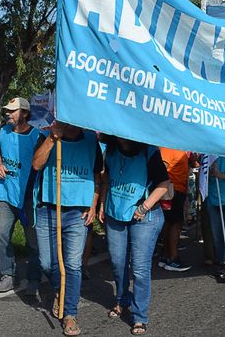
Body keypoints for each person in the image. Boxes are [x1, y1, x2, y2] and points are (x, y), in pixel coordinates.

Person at [32, 122, 103, 337]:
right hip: (48, 208)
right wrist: (53, 138)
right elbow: (36, 165)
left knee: (72, 265)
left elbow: (97, 175)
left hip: (77, 212)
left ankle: (70, 313)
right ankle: (60, 291)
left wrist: (93, 204)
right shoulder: (47, 135)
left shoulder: (91, 139)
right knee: (46, 262)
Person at [98, 135, 169, 336]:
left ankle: (139, 316)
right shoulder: (110, 149)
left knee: (139, 268)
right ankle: (122, 299)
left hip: (144, 216)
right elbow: (107, 179)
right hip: (115, 212)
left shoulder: (149, 151)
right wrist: (103, 203)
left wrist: (144, 207)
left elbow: (163, 184)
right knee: (117, 262)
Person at [0, 97, 43, 293]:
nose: (8, 114)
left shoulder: (36, 136)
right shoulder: (3, 131)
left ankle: (34, 278)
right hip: (6, 192)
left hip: (30, 195)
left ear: (24, 113)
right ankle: (8, 274)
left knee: (33, 241)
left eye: (12, 111)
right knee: (1, 237)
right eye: (7, 110)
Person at [158, 147, 193, 272]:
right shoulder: (169, 147)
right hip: (172, 190)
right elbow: (162, 168)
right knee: (175, 223)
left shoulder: (180, 148)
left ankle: (166, 256)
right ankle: (172, 258)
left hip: (177, 189)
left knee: (169, 222)